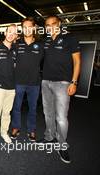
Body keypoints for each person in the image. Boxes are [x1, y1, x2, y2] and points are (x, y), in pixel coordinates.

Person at [38, 15, 81, 164]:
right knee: (47, 113)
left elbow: (77, 61)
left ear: (59, 24)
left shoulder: (70, 38)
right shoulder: (46, 40)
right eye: (47, 25)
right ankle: (49, 136)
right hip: (46, 82)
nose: (50, 27)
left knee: (61, 118)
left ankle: (62, 145)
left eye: (53, 24)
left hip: (63, 83)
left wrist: (74, 82)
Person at [11, 17, 44, 142]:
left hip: (34, 83)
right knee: (17, 107)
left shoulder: (41, 45)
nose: (27, 29)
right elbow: (6, 46)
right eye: (24, 27)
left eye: (30, 26)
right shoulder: (17, 43)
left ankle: (31, 130)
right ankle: (16, 127)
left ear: (34, 28)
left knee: (33, 108)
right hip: (18, 82)